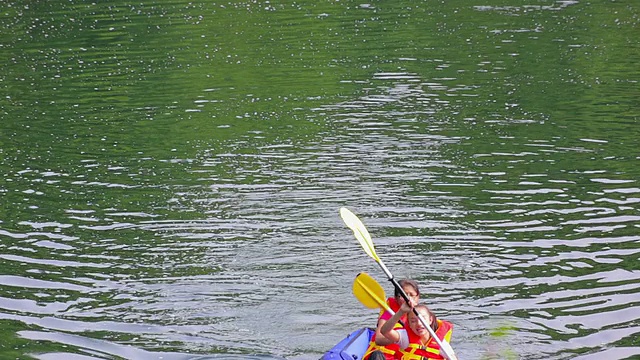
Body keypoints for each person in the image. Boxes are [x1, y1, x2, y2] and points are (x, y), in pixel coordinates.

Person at [363, 279, 420, 360]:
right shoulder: (389, 312)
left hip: (402, 356)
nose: (407, 299)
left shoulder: (422, 314)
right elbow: (378, 339)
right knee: (377, 355)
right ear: (396, 298)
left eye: (411, 295)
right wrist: (399, 339)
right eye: (403, 295)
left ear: (417, 297)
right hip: (382, 356)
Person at [379, 299, 454, 360]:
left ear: (430, 320)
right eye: (413, 321)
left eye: (422, 319)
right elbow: (385, 331)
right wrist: (401, 311)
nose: (419, 324)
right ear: (409, 324)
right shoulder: (405, 337)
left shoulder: (441, 343)